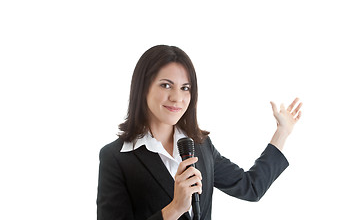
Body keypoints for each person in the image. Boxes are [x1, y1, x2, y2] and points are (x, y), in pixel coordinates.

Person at [96, 45, 302, 220]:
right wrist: (174, 209)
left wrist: (282, 132)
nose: (177, 98)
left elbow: (251, 187)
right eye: (166, 85)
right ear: (143, 88)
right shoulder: (116, 158)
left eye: (185, 88)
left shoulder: (201, 146)